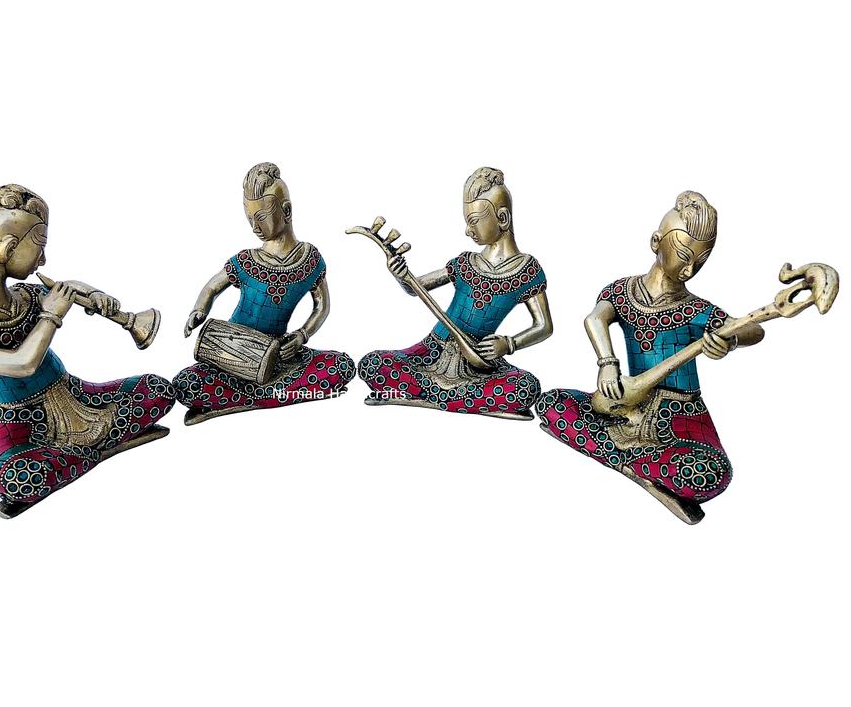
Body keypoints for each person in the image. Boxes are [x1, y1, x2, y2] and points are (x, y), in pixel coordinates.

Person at [0, 184, 176, 517]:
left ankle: (79, 457)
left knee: (159, 389)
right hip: (22, 424)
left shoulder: (25, 297)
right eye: (39, 247)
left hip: (77, 394)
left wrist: (94, 295)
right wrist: (50, 316)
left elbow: (68, 288)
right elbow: (22, 364)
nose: (42, 260)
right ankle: (100, 447)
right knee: (15, 480)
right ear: (8, 248)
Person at [535, 191, 765, 522]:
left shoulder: (695, 310)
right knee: (551, 402)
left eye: (700, 261)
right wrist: (607, 364)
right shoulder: (622, 291)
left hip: (682, 414)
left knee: (711, 474)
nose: (689, 269)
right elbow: (595, 318)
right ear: (656, 242)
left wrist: (730, 341)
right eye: (683, 255)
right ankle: (644, 472)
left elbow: (753, 329)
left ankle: (624, 461)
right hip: (626, 406)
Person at [357, 167, 553, 418]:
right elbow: (414, 288)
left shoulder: (526, 271)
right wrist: (400, 274)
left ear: (502, 218)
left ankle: (420, 394)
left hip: (479, 363)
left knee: (526, 388)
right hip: (430, 353)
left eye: (474, 221)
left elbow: (544, 326)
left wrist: (509, 344)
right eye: (466, 222)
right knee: (372, 364)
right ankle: (465, 401)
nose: (467, 230)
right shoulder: (465, 263)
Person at [174, 163, 355, 422]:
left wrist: (301, 336)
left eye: (261, 217)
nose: (254, 227)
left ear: (286, 211)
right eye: (249, 219)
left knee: (342, 366)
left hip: (278, 354)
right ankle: (277, 394)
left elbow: (322, 307)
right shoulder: (246, 260)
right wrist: (199, 310)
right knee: (186, 383)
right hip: (231, 352)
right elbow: (212, 287)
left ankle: (242, 397)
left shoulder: (309, 259)